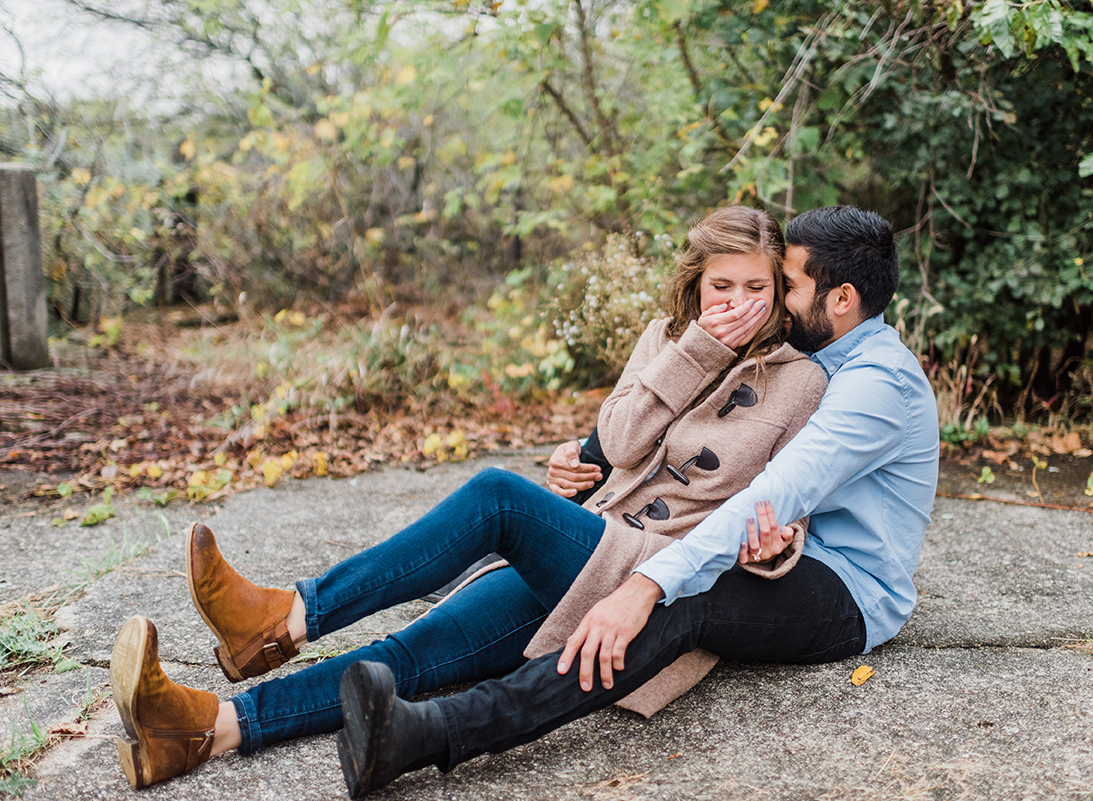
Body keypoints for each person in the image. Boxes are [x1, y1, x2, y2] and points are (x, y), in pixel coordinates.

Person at [108, 205, 830, 790]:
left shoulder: (801, 383)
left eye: (755, 290)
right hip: (593, 540)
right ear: (696, 284)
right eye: (721, 287)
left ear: (778, 295)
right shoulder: (666, 339)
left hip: (651, 578)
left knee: (495, 498)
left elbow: (785, 505)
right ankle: (204, 729)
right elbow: (618, 439)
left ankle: (286, 616)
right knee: (412, 654)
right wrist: (697, 349)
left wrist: (775, 548)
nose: (736, 304)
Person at [333, 204, 941, 798]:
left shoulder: (876, 386)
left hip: (849, 590)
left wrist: (641, 585)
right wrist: (588, 457)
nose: (776, 299)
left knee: (682, 603)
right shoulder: (826, 355)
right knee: (651, 583)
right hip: (781, 550)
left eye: (788, 285)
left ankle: (432, 734)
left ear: (841, 299)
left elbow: (772, 493)